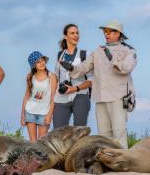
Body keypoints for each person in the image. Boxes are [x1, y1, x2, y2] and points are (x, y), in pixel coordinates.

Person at [61, 20, 137, 148]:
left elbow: (127, 68)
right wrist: (72, 69)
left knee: (119, 132)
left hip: (118, 96)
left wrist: (111, 58)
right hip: (100, 97)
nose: (106, 34)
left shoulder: (128, 50)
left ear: (118, 33)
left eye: (110, 32)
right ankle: (107, 162)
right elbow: (85, 67)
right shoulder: (98, 51)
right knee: (103, 134)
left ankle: (123, 162)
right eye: (105, 32)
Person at [53, 24, 92, 128]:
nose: (76, 35)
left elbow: (91, 80)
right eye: (72, 33)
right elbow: (56, 77)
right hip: (61, 97)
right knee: (58, 131)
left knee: (79, 131)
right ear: (65, 36)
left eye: (77, 33)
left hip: (80, 95)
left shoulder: (85, 54)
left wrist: (75, 88)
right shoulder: (59, 55)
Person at [21, 51, 57, 142]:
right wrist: (23, 115)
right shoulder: (30, 77)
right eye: (38, 62)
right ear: (34, 65)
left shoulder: (51, 77)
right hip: (30, 112)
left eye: (42, 60)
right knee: (33, 142)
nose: (41, 63)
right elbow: (26, 96)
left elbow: (54, 97)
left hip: (44, 113)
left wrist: (49, 115)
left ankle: (39, 157)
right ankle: (33, 157)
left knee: (41, 142)